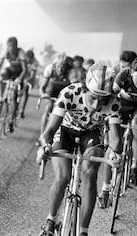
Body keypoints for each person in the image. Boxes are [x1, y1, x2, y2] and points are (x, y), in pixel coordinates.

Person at [36, 63, 123, 236]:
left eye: (103, 100)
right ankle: (50, 221)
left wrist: (115, 153)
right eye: (93, 98)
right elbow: (50, 130)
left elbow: (115, 138)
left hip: (91, 133)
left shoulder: (114, 102)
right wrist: (44, 146)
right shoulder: (69, 93)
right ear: (84, 89)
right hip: (66, 130)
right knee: (62, 177)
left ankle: (83, 230)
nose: (97, 104)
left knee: (90, 175)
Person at [97, 56, 137, 207]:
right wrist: (106, 117)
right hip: (122, 105)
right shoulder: (123, 76)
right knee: (113, 144)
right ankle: (105, 188)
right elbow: (111, 97)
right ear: (131, 71)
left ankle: (135, 167)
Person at [37, 53, 73, 146]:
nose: (61, 69)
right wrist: (43, 94)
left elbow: (73, 88)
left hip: (64, 91)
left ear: (66, 67)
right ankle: (42, 136)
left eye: (63, 67)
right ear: (55, 65)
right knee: (48, 107)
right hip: (52, 90)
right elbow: (43, 87)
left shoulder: (70, 72)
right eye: (58, 66)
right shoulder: (50, 69)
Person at [0, 36, 27, 132]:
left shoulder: (21, 53)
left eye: (12, 46)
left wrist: (19, 79)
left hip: (19, 73)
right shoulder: (5, 51)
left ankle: (10, 121)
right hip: (10, 70)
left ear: (16, 46)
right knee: (3, 74)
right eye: (9, 46)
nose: (11, 48)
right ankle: (2, 97)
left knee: (14, 97)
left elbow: (25, 70)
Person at [19, 49, 39, 119]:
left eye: (29, 59)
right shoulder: (22, 59)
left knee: (25, 91)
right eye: (27, 58)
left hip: (29, 79)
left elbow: (32, 76)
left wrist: (27, 80)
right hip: (22, 76)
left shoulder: (35, 62)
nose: (28, 60)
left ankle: (22, 110)